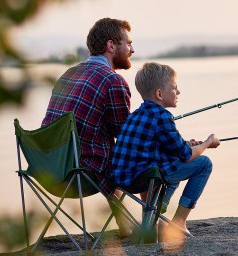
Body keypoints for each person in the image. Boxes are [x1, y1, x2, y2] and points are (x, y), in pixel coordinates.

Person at [41, 18, 135, 236]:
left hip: (48, 169)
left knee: (107, 153)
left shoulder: (68, 74)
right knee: (138, 155)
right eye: (128, 43)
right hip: (80, 175)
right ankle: (150, 228)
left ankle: (125, 225)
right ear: (111, 46)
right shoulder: (113, 81)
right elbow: (124, 137)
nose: (132, 49)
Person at [111, 62, 220, 239]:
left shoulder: (134, 115)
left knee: (171, 162)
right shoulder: (162, 116)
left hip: (122, 180)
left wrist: (187, 144)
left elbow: (160, 145)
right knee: (204, 164)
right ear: (160, 94)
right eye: (175, 88)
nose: (178, 92)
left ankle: (154, 219)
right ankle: (178, 221)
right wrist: (207, 143)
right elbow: (185, 155)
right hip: (146, 178)